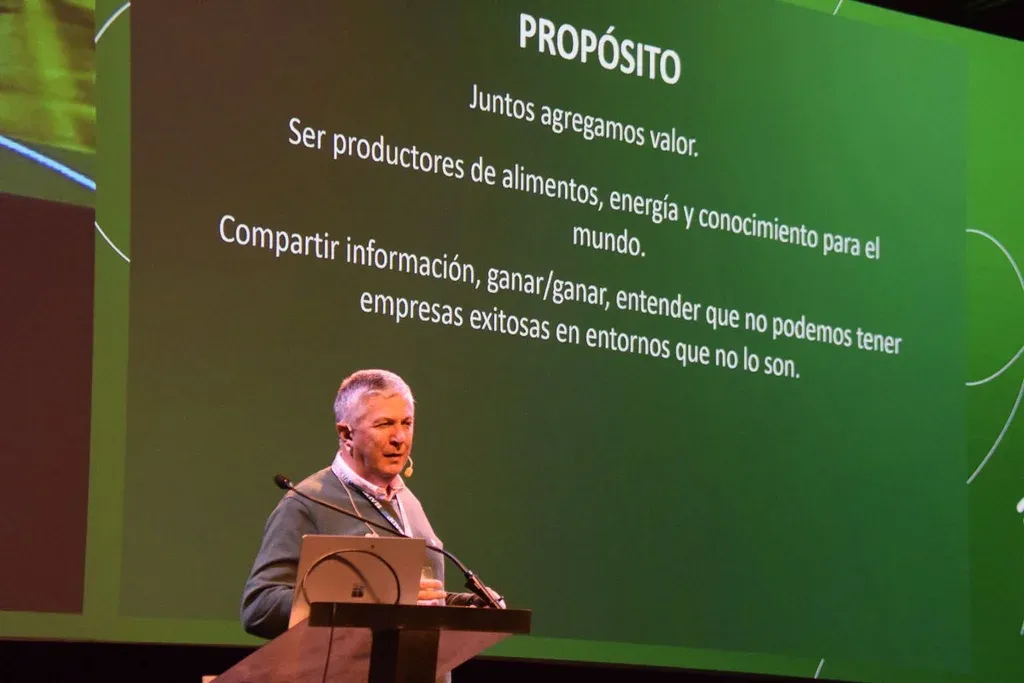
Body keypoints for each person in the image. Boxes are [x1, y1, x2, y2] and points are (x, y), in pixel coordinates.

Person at [240, 368, 494, 640]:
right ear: (346, 434)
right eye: (384, 424)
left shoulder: (407, 502)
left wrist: (464, 605)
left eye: (406, 423)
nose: (399, 438)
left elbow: (412, 601)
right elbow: (259, 608)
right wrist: (370, 601)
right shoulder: (306, 503)